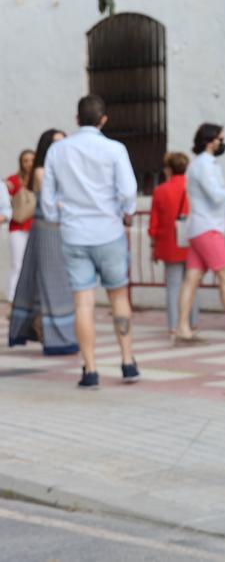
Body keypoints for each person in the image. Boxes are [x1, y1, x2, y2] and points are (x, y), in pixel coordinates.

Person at [41, 96, 139, 388]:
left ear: (76, 119)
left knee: (83, 303)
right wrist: (127, 213)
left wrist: (55, 216)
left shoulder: (58, 151)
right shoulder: (114, 149)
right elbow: (129, 190)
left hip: (74, 233)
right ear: (103, 119)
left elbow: (47, 198)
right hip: (109, 232)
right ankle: (128, 361)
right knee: (118, 297)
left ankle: (91, 368)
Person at [175, 124, 225, 344]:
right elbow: (216, 195)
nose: (222, 142)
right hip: (208, 228)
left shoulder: (201, 165)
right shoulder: (204, 165)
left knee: (192, 278)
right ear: (210, 141)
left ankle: (182, 327)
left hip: (201, 226)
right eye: (220, 138)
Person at [8, 129, 77, 355]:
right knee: (50, 281)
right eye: (57, 143)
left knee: (56, 281)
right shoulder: (41, 170)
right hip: (47, 228)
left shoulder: (59, 167)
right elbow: (56, 198)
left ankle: (46, 331)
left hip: (60, 228)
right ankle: (55, 337)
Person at [147, 152, 199, 337]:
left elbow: (154, 222)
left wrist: (153, 244)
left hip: (170, 242)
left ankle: (174, 324)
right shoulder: (193, 188)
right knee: (192, 282)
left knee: (174, 285)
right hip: (193, 240)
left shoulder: (161, 190)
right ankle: (192, 320)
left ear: (168, 168)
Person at [6, 149, 35, 302]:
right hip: (17, 227)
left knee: (33, 266)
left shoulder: (40, 179)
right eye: (26, 160)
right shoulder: (14, 180)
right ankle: (13, 299)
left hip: (35, 228)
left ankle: (30, 298)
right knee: (17, 264)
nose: (29, 163)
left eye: (32, 159)